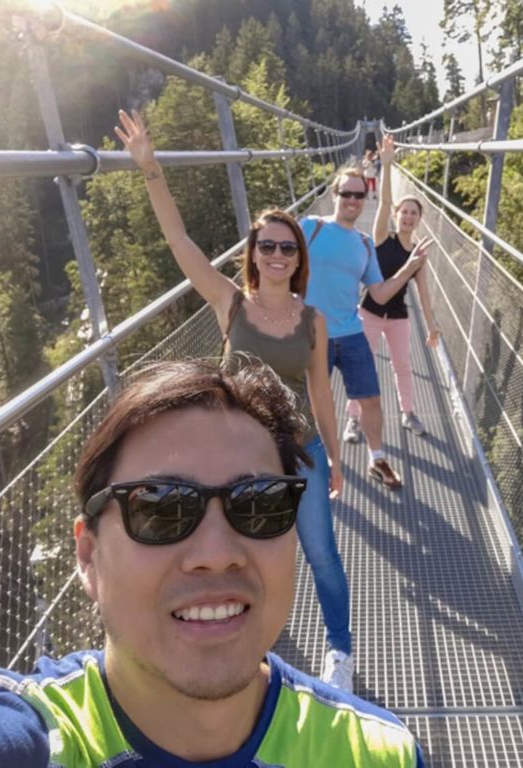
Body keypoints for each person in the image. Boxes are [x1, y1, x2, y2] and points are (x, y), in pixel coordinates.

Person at [0, 360, 425, 766]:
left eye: (260, 505)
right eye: (160, 510)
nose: (217, 554)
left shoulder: (379, 753)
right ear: (88, 557)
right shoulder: (25, 743)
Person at [114, 109, 355, 690]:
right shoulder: (231, 305)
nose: (277, 255)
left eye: (287, 248)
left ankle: (341, 655)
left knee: (320, 556)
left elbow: (319, 388)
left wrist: (335, 459)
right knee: (240, 561)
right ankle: (246, 654)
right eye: (267, 246)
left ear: (300, 259)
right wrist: (151, 169)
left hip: (299, 451)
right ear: (254, 255)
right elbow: (180, 241)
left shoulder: (314, 320)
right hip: (236, 461)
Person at [300, 168, 433, 490]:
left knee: (371, 399)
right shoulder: (310, 228)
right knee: (307, 402)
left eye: (359, 195)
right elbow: (276, 260)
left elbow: (380, 293)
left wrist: (409, 268)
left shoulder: (363, 244)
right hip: (312, 334)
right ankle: (308, 464)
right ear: (334, 195)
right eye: (346, 193)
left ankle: (377, 459)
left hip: (351, 332)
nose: (353, 200)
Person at [347, 134, 441, 437]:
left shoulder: (418, 254)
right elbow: (384, 201)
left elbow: (424, 294)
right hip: (370, 312)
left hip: (398, 317)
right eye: (405, 212)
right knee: (362, 365)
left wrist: (432, 326)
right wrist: (386, 165)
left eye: (414, 214)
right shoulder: (380, 239)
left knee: (403, 366)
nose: (408, 217)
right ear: (397, 216)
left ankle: (408, 414)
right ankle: (354, 419)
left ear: (418, 220)